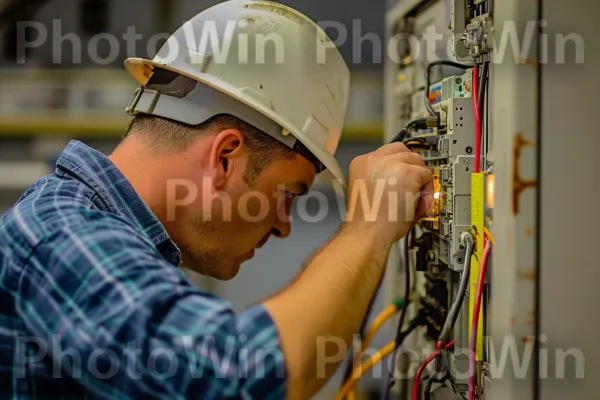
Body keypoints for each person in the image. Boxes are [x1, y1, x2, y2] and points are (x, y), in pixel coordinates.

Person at [0, 1, 433, 399]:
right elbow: (231, 378)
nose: (284, 225)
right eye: (288, 195)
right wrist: (368, 227)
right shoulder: (62, 233)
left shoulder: (102, 234)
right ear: (225, 157)